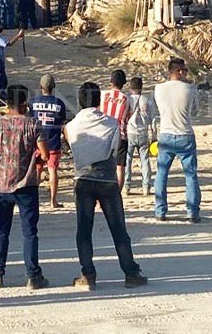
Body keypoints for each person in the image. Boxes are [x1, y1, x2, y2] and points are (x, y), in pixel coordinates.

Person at [64, 82, 148, 291]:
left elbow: (72, 148)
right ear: (98, 101)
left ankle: (88, 274)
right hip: (108, 180)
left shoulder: (71, 126)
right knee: (118, 228)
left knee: (84, 229)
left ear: (80, 100)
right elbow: (115, 148)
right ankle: (131, 272)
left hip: (83, 180)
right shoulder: (111, 123)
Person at [0, 85, 49, 290]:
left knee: (1, 231)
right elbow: (44, 154)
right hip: (27, 185)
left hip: (2, 184)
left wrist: (0, 160)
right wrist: (36, 161)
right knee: (29, 232)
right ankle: (33, 276)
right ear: (25, 103)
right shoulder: (33, 124)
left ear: (7, 104)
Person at [153, 58, 201, 223]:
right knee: (190, 175)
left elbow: (158, 109)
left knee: (161, 173)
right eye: (185, 70)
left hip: (166, 133)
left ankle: (160, 211)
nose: (186, 73)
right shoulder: (190, 89)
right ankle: (192, 212)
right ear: (179, 71)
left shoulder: (158, 89)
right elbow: (194, 111)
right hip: (185, 134)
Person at [28, 75, 67, 208]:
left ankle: (33, 199)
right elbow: (62, 124)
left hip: (37, 142)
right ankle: (53, 201)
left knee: (37, 171)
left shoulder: (32, 102)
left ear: (40, 87)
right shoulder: (59, 103)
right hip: (53, 142)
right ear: (53, 87)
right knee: (52, 171)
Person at [124, 77, 158, 197]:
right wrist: (154, 136)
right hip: (143, 133)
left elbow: (123, 118)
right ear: (141, 88)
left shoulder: (127, 100)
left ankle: (126, 186)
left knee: (127, 160)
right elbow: (153, 119)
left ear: (130, 88)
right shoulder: (147, 101)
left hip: (130, 133)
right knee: (145, 160)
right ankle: (146, 186)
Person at [100, 70, 132, 191]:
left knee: (103, 165)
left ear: (111, 81)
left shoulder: (103, 95)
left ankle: (100, 195)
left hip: (104, 134)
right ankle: (116, 194)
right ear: (124, 83)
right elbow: (128, 117)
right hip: (120, 135)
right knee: (120, 167)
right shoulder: (127, 99)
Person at [0, 23, 26, 99]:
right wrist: (18, 36)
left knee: (3, 82)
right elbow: (8, 43)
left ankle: (1, 98)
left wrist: (18, 37)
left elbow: (8, 42)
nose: (1, 26)